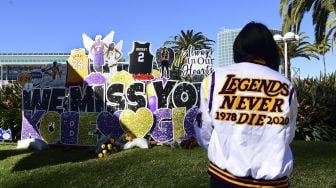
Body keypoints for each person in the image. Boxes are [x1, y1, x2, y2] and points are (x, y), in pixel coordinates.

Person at [194, 22, 298, 188]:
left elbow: (203, 130)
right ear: (271, 50)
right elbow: (288, 134)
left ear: (238, 48)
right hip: (273, 182)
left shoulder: (215, 79)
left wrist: (224, 150)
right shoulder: (286, 86)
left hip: (225, 179)